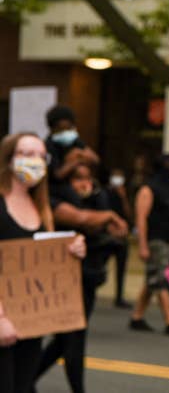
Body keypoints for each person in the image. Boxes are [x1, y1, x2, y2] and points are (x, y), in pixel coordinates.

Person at [0, 132, 85, 393]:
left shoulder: (42, 208)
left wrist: (73, 250)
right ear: (8, 160)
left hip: (29, 324)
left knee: (23, 386)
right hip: (3, 322)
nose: (35, 161)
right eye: (26, 154)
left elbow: (42, 263)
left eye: (40, 155)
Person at [34, 163, 128, 393]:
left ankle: (27, 380)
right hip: (63, 281)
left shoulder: (97, 199)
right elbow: (81, 219)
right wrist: (108, 216)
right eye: (77, 179)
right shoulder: (56, 201)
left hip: (88, 280)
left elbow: (115, 231)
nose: (84, 184)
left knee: (65, 341)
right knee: (73, 339)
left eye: (88, 178)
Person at [129, 153, 169, 335]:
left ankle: (137, 317)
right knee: (162, 279)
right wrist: (142, 245)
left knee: (154, 278)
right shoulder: (148, 189)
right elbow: (141, 219)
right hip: (156, 241)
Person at [44, 105, 99, 191]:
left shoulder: (75, 140)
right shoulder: (48, 146)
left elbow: (95, 159)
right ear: (52, 129)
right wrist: (77, 160)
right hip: (57, 188)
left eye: (69, 128)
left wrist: (79, 155)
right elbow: (57, 175)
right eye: (61, 129)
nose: (66, 132)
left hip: (78, 183)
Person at [105, 167, 132, 309]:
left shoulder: (123, 194)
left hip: (121, 236)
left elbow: (128, 213)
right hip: (108, 235)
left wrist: (123, 197)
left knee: (121, 267)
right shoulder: (105, 193)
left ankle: (119, 296)